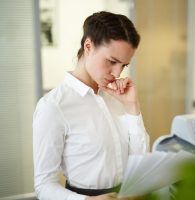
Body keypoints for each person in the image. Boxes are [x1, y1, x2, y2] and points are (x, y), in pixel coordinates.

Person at [33, 11, 149, 200]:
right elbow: (44, 185)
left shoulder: (118, 97)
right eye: (112, 61)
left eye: (124, 66)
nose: (117, 73)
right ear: (88, 46)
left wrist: (132, 107)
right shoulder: (53, 107)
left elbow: (140, 162)